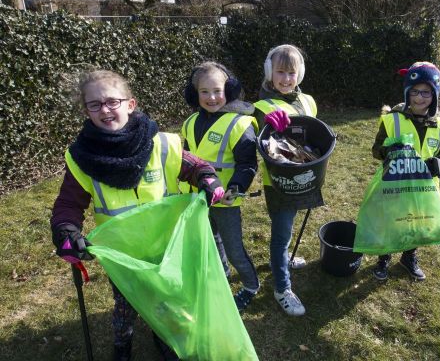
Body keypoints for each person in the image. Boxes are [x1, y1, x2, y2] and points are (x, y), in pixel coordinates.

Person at [50, 70, 224, 361]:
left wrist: (208, 178)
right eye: (95, 104)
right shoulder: (82, 158)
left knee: (167, 298)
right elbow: (68, 203)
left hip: (166, 245)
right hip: (123, 254)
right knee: (125, 306)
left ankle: (166, 337)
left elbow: (194, 165)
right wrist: (66, 230)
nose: (105, 109)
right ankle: (122, 345)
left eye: (112, 102)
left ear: (130, 104)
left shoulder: (161, 144)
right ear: (86, 111)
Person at [181, 61, 260, 311]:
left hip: (226, 201)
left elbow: (247, 165)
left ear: (229, 90)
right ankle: (222, 277)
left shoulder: (239, 124)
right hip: (198, 199)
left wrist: (234, 188)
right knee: (213, 243)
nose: (212, 97)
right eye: (204, 92)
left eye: (217, 90)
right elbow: (183, 158)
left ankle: (250, 286)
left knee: (235, 250)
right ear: (195, 94)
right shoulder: (190, 122)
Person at [371, 61, 440, 282]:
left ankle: (409, 257)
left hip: (425, 187)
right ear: (407, 92)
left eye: (426, 92)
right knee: (392, 221)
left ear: (435, 95)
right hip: (395, 183)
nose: (420, 98)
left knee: (418, 222)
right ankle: (384, 258)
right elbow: (376, 149)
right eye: (415, 92)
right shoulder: (392, 120)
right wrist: (389, 150)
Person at [254, 44, 320, 316]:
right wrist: (265, 123)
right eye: (280, 72)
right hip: (280, 181)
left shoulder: (307, 100)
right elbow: (258, 135)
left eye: (291, 73)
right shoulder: (261, 105)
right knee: (281, 234)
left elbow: (314, 133)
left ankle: (285, 261)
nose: (286, 79)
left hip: (304, 174)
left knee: (289, 227)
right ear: (270, 72)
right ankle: (282, 288)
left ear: (300, 74)